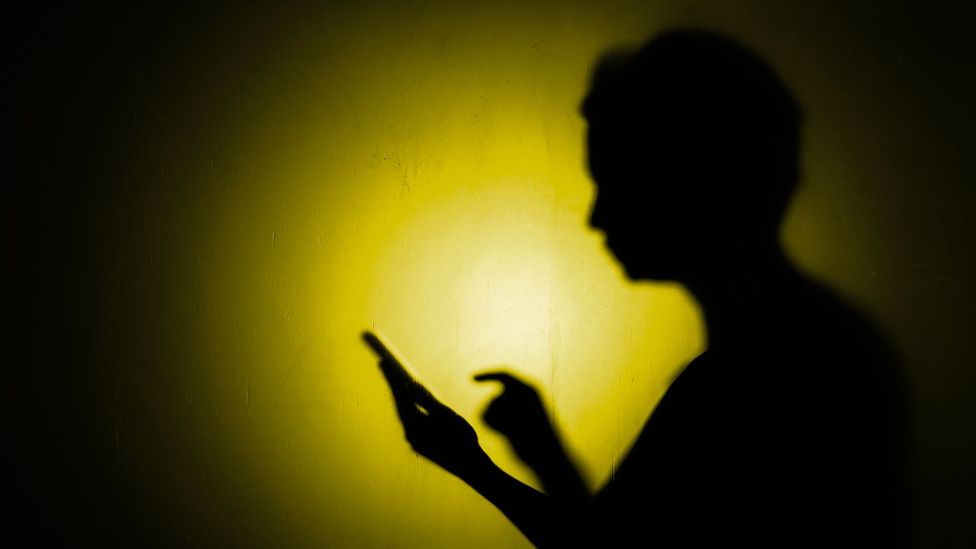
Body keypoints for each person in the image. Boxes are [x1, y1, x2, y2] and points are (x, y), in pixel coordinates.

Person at [367, 29, 909, 547]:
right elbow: (623, 540)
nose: (596, 217)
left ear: (693, 179)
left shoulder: (749, 375)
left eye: (617, 183)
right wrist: (529, 457)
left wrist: (484, 464)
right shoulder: (808, 346)